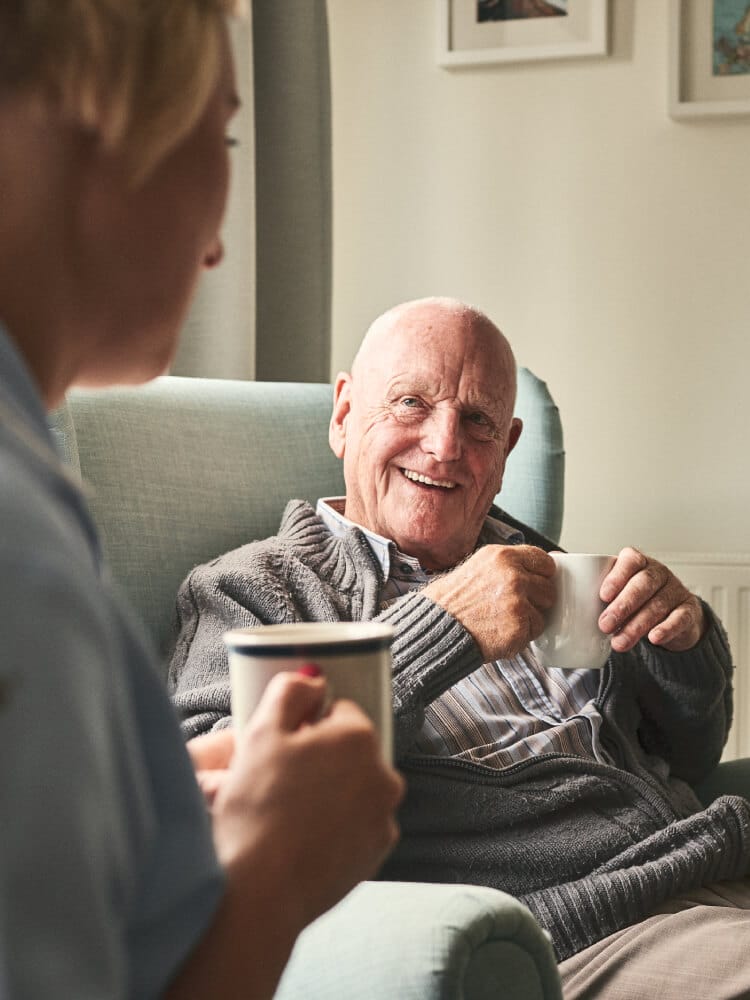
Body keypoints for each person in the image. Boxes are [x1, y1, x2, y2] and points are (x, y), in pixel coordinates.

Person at [170, 295, 750, 1000]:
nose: (445, 445)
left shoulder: (548, 567)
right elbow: (210, 807)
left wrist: (680, 645)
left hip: (715, 862)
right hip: (586, 931)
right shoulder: (253, 590)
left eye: (477, 421)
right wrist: (445, 626)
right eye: (411, 403)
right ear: (345, 415)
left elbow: (688, 756)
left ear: (505, 450)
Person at [0, 3, 404, 997]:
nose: (220, 245)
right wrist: (276, 865)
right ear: (94, 114)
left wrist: (140, 802)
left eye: (485, 421)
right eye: (218, 135)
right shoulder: (30, 557)